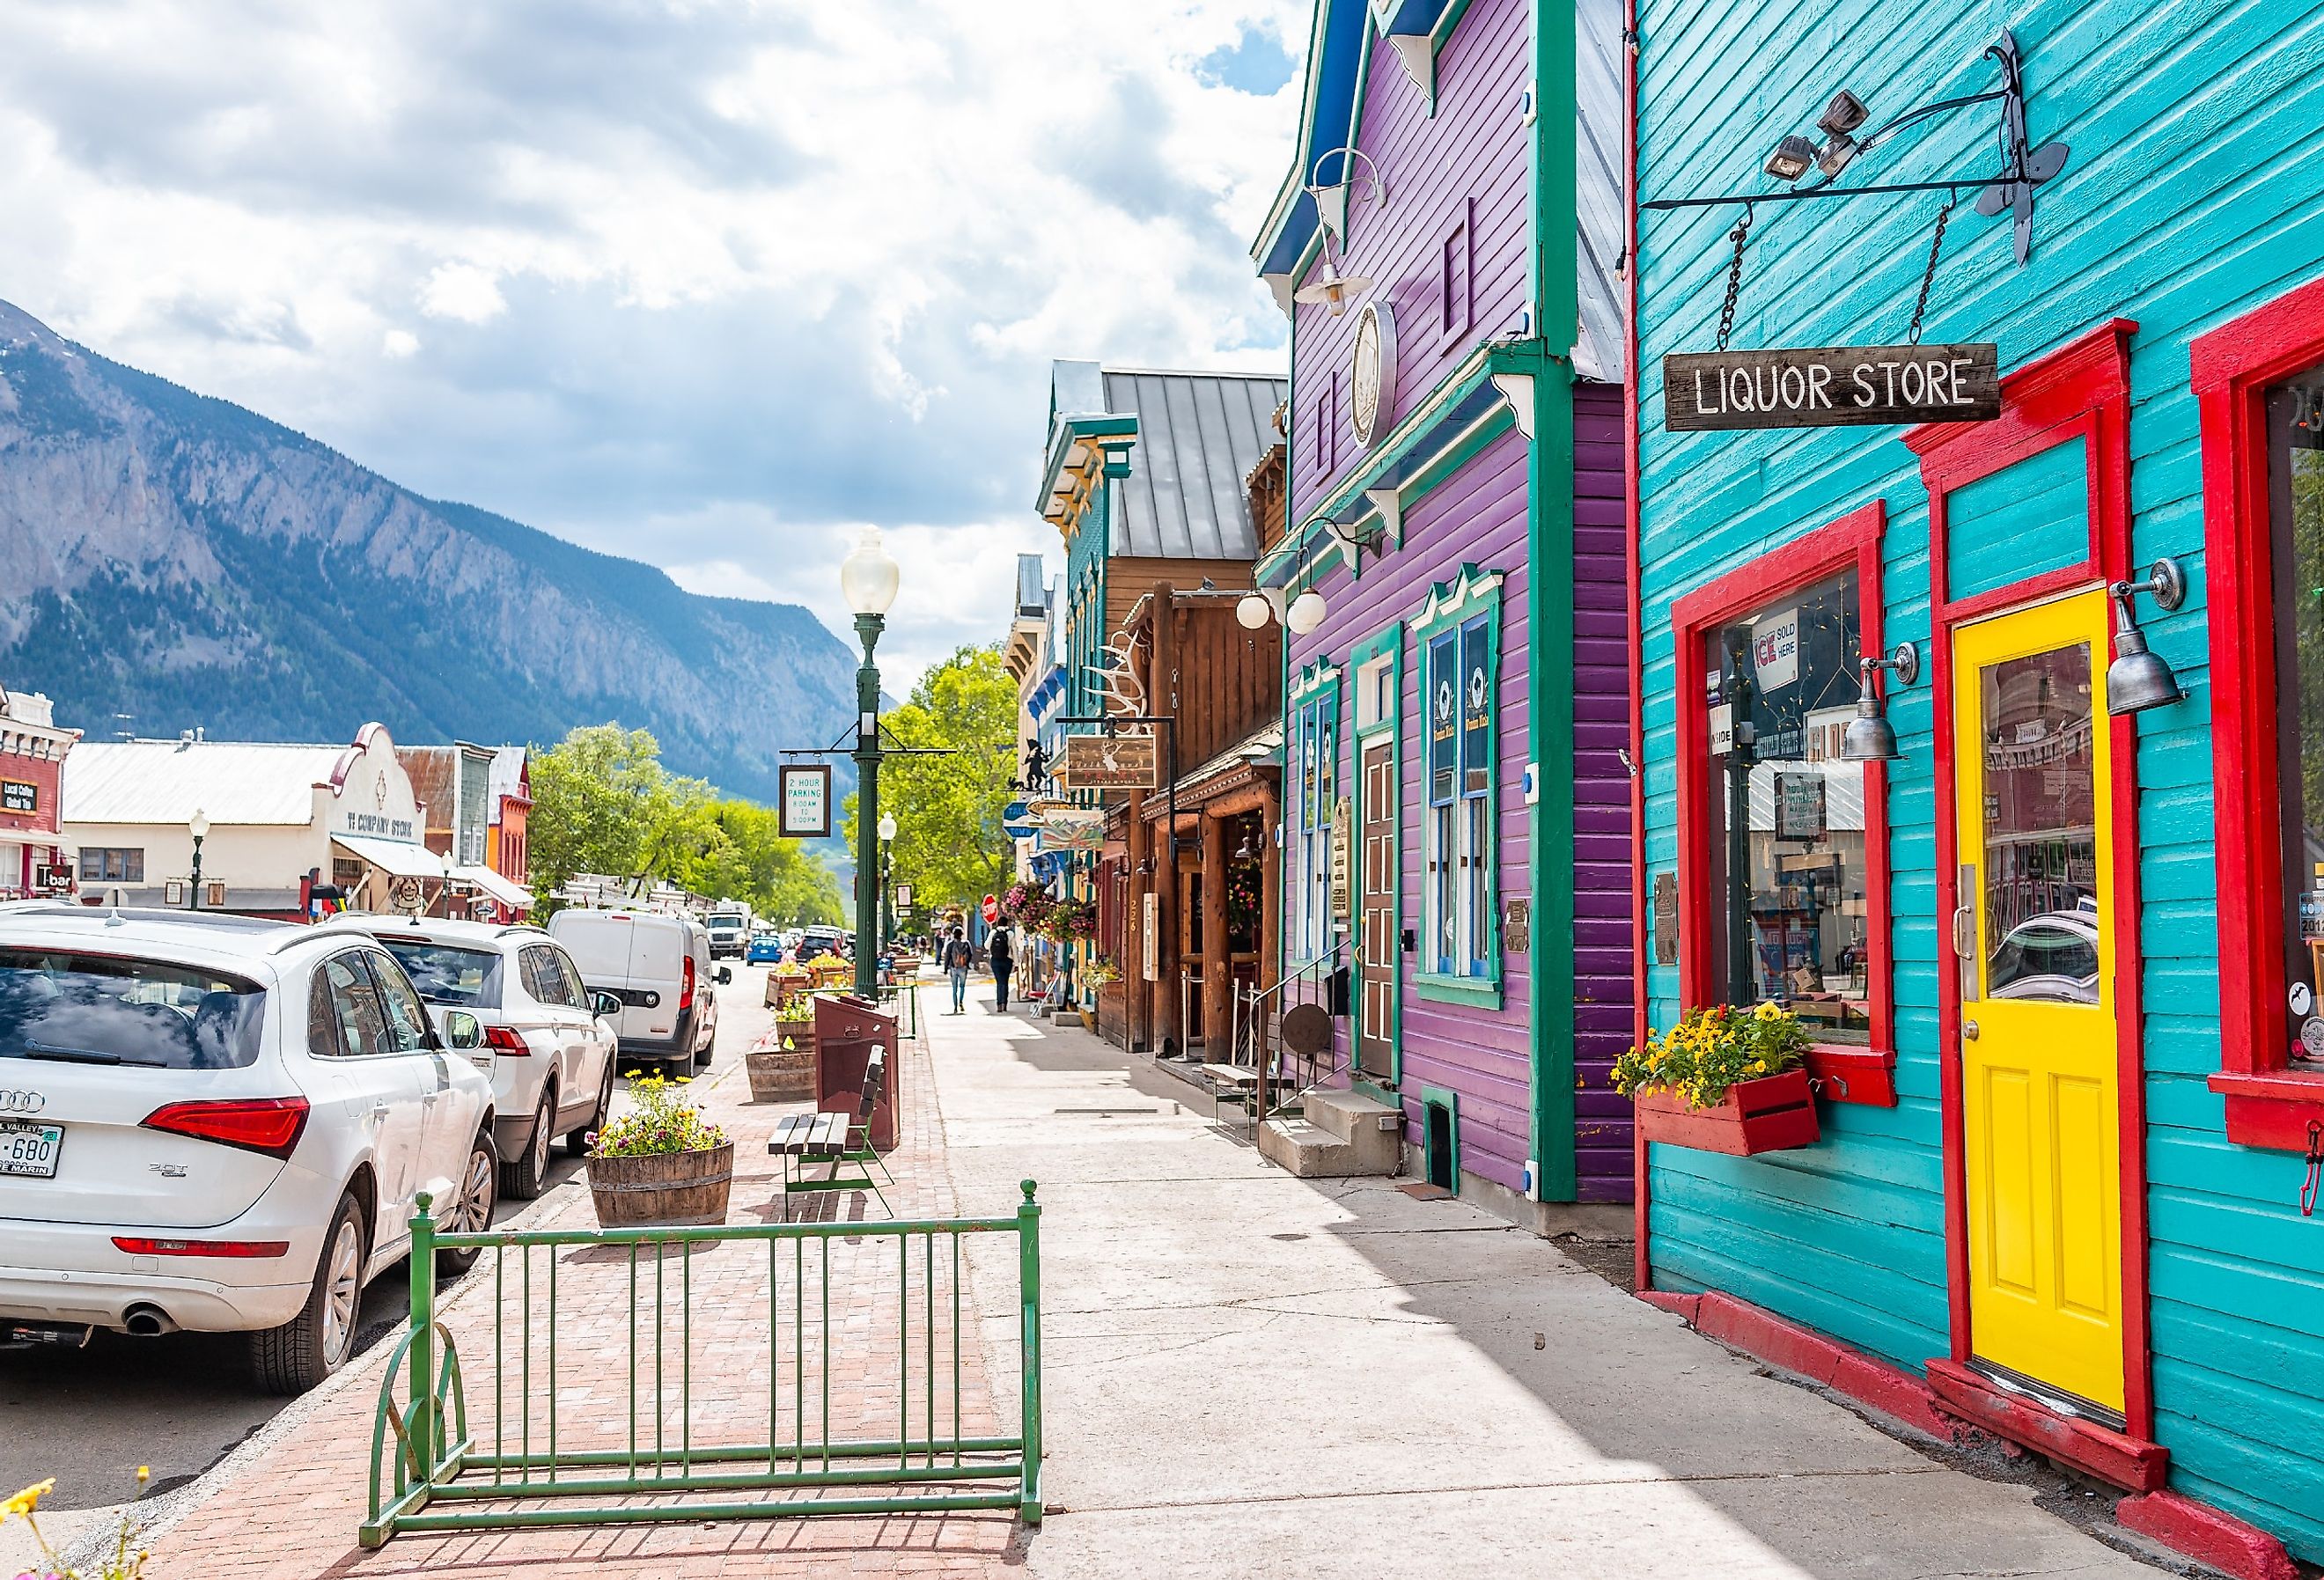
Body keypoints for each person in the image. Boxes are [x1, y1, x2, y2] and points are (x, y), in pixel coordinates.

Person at [942, 926, 972, 1014]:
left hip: (953, 968)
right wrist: (966, 964)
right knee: (962, 986)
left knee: (954, 988)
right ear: (962, 934)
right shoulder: (966, 943)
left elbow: (947, 957)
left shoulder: (950, 944)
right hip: (963, 967)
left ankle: (955, 1007)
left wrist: (945, 968)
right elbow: (970, 954)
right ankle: (961, 1001)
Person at [989, 920, 1015, 1011]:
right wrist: (1016, 963)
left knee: (999, 982)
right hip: (1007, 960)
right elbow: (1014, 949)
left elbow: (986, 945)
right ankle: (1004, 1004)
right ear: (1007, 923)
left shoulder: (993, 932)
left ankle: (999, 1004)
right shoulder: (1010, 933)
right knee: (1005, 982)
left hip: (995, 960)